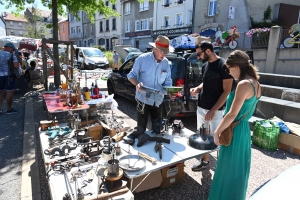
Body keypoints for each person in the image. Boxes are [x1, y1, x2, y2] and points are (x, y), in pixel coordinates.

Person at [208, 50, 261, 200]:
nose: (229, 72)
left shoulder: (243, 84)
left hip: (234, 130)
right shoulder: (256, 84)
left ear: (236, 66)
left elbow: (232, 114)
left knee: (228, 170)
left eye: (229, 68)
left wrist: (217, 132)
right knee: (238, 170)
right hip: (243, 130)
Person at [190, 41, 234, 171]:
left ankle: (222, 167)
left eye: (199, 54)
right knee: (203, 136)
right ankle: (205, 161)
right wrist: (196, 88)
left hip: (216, 110)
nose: (198, 56)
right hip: (202, 107)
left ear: (208, 51)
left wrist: (213, 110)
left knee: (217, 139)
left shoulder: (224, 66)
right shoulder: (205, 65)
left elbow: (227, 91)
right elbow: (205, 83)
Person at [127, 35, 175, 132]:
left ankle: (156, 145)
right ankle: (141, 141)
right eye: (162, 51)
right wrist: (137, 84)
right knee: (141, 128)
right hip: (143, 98)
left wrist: (170, 92)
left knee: (157, 129)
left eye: (166, 52)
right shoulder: (142, 59)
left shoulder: (166, 63)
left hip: (158, 100)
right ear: (154, 48)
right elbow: (131, 76)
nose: (164, 55)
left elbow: (168, 81)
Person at [0, 42, 19, 114]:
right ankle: (9, 109)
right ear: (10, 48)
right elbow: (16, 66)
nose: (13, 51)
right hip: (9, 76)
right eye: (13, 49)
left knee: (0, 92)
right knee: (9, 92)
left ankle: (0, 108)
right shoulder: (11, 56)